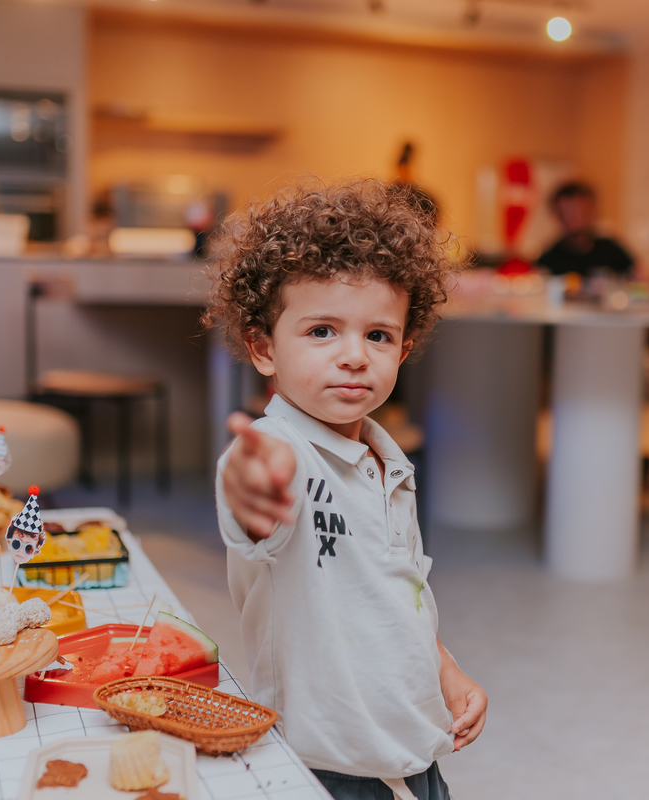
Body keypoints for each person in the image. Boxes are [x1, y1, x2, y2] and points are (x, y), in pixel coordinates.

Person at [203, 179, 486, 800]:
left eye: (378, 335)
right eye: (322, 331)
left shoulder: (388, 462)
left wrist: (446, 670)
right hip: (326, 764)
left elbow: (396, 594)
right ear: (263, 348)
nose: (355, 356)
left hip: (413, 748)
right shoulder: (278, 451)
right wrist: (252, 491)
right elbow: (253, 495)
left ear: (403, 350)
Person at [535, 180, 635, 277]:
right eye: (566, 213)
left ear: (593, 211)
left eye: (580, 211)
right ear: (556, 214)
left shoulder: (613, 251)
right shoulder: (547, 261)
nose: (573, 218)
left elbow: (638, 276)